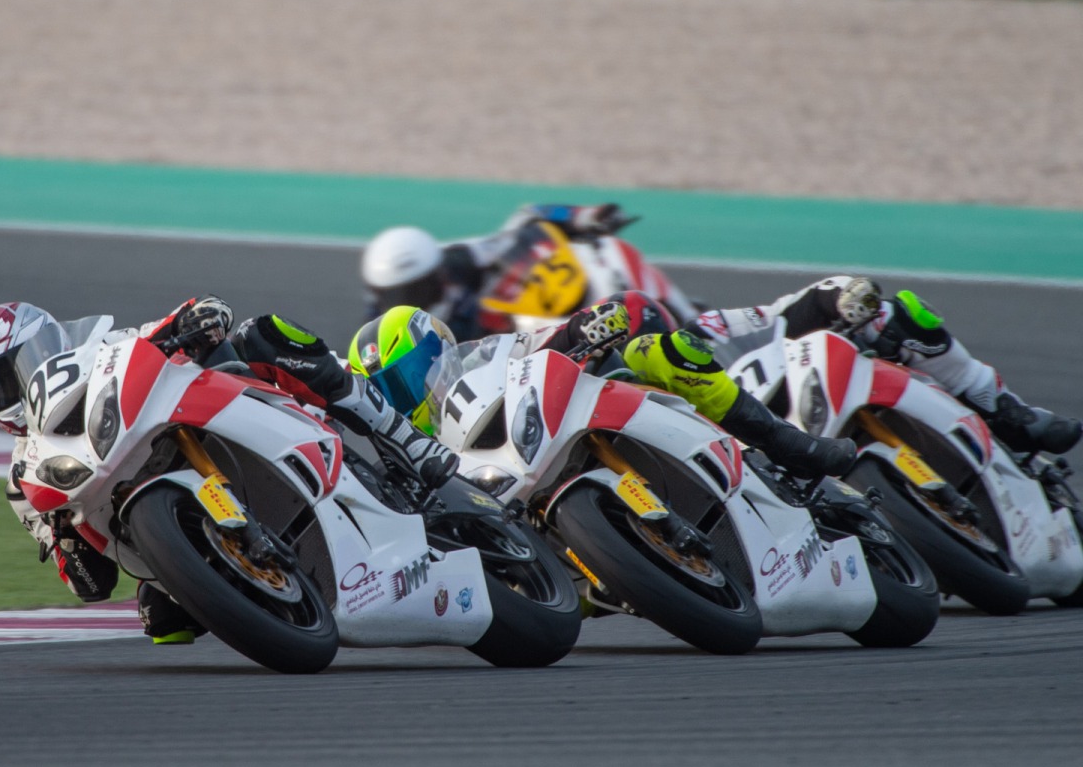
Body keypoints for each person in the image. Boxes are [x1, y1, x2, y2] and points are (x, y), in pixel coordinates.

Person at [0, 297, 460, 645]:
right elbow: (91, 585)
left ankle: (404, 438)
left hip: (201, 418)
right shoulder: (24, 481)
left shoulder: (98, 352)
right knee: (161, 619)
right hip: (165, 518)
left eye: (14, 370)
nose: (10, 392)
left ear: (46, 345)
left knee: (261, 335)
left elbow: (165, 328)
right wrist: (67, 538)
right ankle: (265, 585)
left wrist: (195, 317)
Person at [347, 296, 857, 481]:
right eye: (395, 388)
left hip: (584, 418)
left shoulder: (487, 353)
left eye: (415, 372)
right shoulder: (412, 457)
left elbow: (548, 339)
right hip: (517, 501)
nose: (414, 391)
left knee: (657, 349)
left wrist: (585, 329)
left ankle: (786, 443)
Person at [685, 275, 1082, 455]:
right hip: (767, 425)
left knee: (899, 317)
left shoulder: (708, 326)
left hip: (835, 368)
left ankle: (1010, 412)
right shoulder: (665, 386)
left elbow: (782, 308)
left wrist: (846, 296)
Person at [360, 203, 702, 342]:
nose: (402, 301)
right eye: (393, 294)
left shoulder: (457, 260)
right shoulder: (384, 332)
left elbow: (524, 221)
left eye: (412, 289)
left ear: (434, 273)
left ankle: (690, 321)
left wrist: (582, 216)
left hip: (521, 327)